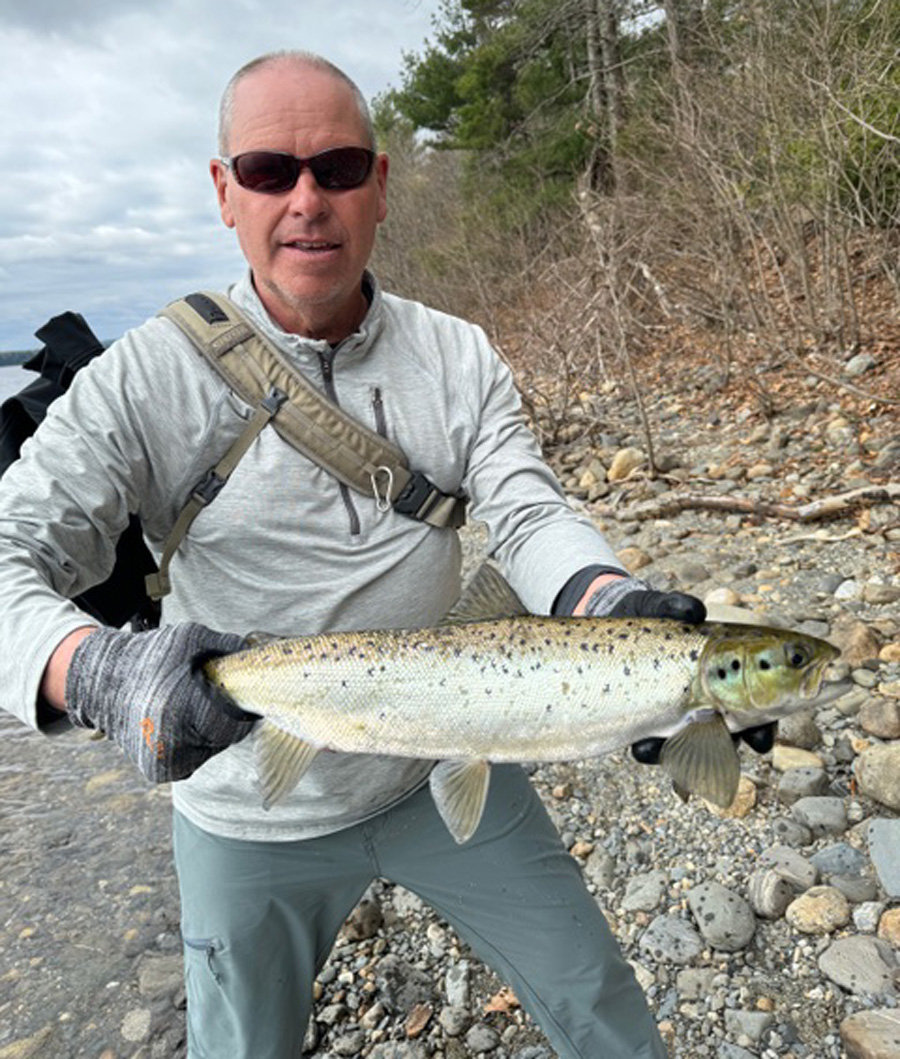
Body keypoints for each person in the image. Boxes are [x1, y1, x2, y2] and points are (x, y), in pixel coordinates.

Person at [0, 51, 773, 1059]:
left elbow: (528, 515)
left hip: (448, 767)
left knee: (604, 1012)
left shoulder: (457, 355)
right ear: (224, 192)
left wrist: (606, 599)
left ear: (381, 185)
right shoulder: (138, 382)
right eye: (271, 171)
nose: (307, 200)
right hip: (245, 810)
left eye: (340, 168)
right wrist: (91, 670)